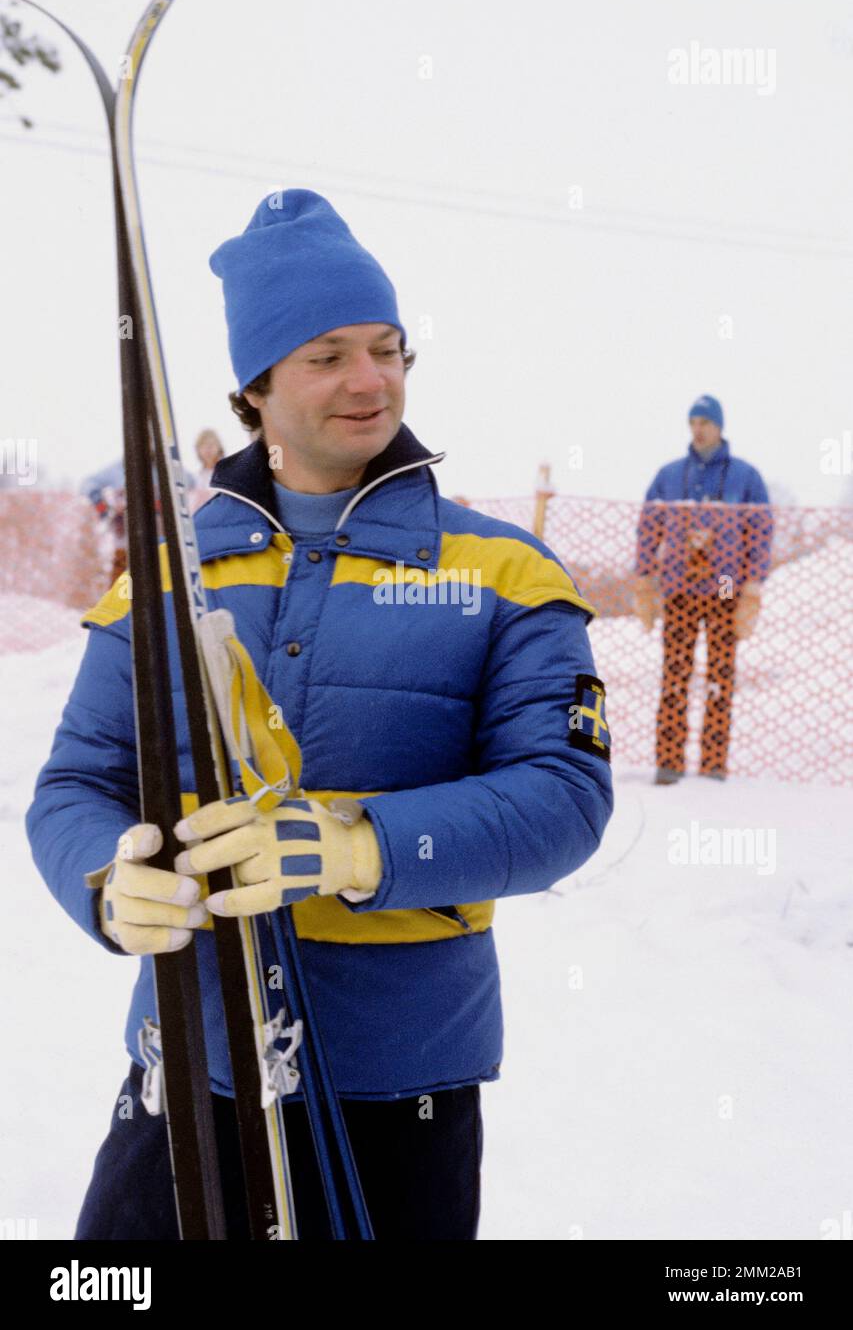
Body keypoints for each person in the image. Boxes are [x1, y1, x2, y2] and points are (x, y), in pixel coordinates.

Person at [26, 188, 613, 1241]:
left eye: (388, 349)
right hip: (188, 1066)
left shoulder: (504, 572)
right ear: (256, 387)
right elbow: (77, 780)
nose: (371, 378)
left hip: (401, 1085)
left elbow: (563, 798)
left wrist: (352, 846)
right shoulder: (166, 577)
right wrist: (107, 881)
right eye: (329, 353)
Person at [633, 395, 773, 784]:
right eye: (693, 420)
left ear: (720, 426)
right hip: (679, 584)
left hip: (726, 585)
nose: (699, 427)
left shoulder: (745, 477)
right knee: (674, 674)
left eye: (706, 421)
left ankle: (713, 763)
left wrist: (753, 584)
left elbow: (761, 533)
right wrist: (644, 577)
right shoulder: (669, 476)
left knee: (719, 676)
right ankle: (669, 762)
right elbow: (648, 527)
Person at [190, 428, 225, 513]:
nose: (208, 449)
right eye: (203, 445)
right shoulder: (196, 477)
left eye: (211, 445)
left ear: (219, 447)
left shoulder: (226, 472)